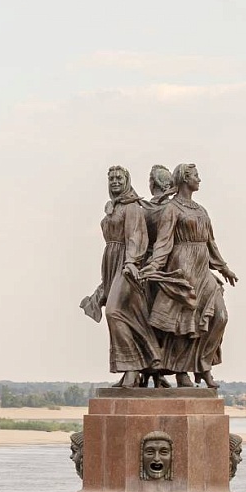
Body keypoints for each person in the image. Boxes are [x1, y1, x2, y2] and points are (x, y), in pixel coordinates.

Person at [142, 162, 237, 388]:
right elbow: (163, 242)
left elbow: (210, 242)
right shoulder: (172, 209)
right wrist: (154, 266)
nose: (199, 179)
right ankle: (182, 372)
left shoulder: (201, 210)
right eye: (196, 175)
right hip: (182, 267)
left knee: (220, 317)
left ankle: (203, 364)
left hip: (202, 269)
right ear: (185, 178)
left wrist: (223, 267)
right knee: (184, 326)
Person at [81, 166, 163, 387]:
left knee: (114, 311)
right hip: (111, 262)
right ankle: (132, 369)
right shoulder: (113, 207)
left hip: (127, 264)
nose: (115, 181)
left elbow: (136, 236)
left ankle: (134, 366)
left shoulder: (132, 207)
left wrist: (131, 262)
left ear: (127, 181)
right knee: (127, 315)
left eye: (119, 178)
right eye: (111, 178)